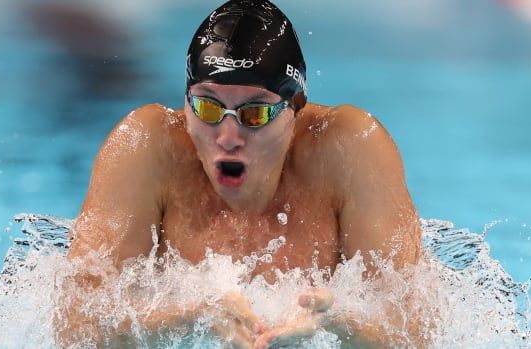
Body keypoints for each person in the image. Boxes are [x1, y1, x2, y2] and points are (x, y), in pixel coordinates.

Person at [61, 0, 423, 347]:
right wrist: (190, 319)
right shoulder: (146, 148)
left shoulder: (349, 149)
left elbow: (421, 331)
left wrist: (338, 325)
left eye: (254, 114)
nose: (228, 137)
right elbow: (72, 326)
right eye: (206, 106)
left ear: (295, 107)